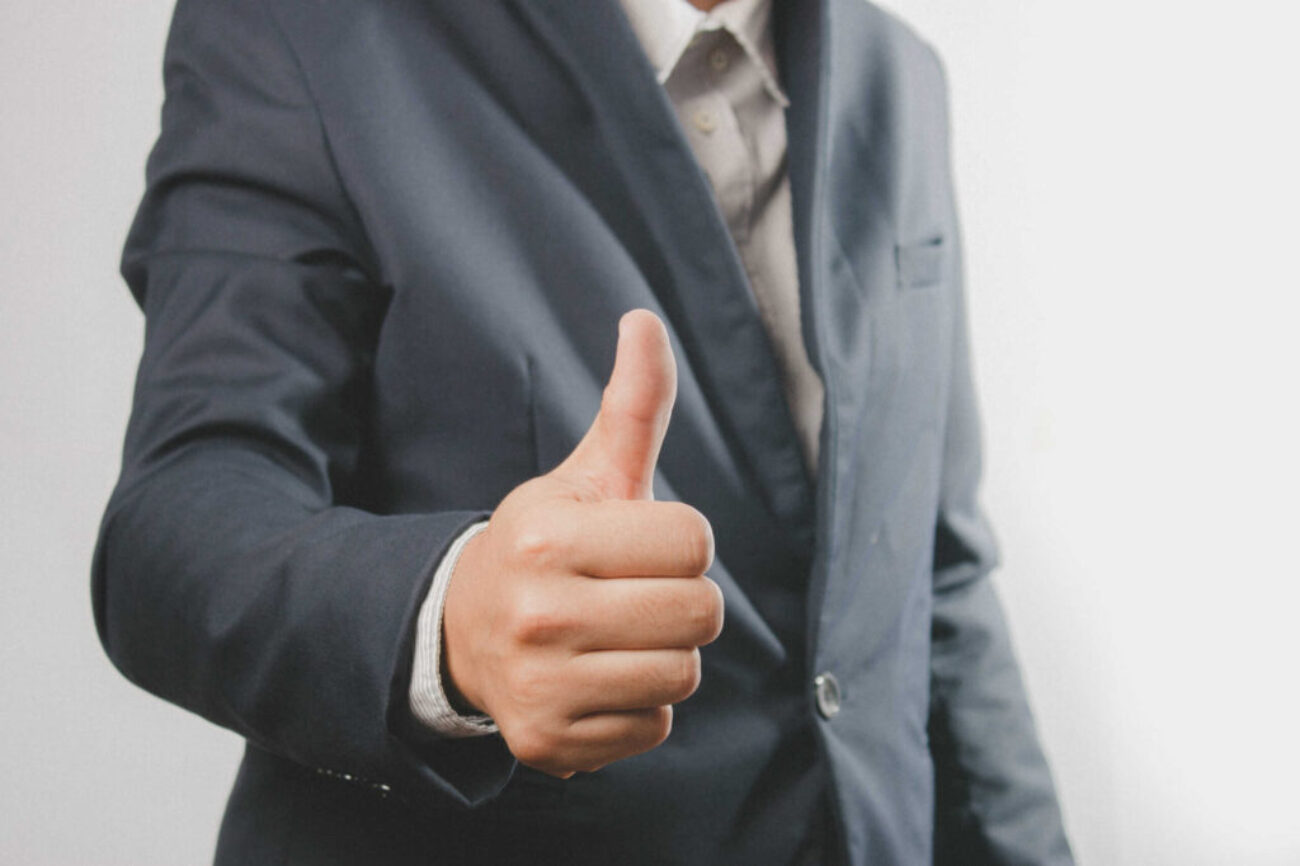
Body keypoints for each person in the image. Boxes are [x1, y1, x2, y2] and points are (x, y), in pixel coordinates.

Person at [93, 0, 1074, 862]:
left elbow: (933, 575)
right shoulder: (303, 26)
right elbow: (173, 521)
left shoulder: (900, 70)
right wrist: (445, 620)